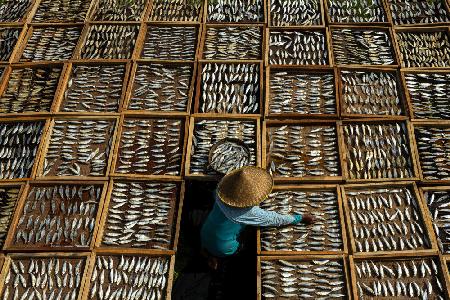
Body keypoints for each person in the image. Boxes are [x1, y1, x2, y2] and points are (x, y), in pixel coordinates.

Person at [200, 166, 315, 268]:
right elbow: (275, 219)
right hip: (224, 247)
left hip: (205, 232)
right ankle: (217, 259)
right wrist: (301, 218)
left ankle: (207, 253)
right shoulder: (249, 213)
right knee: (239, 246)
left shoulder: (221, 192)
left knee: (216, 234)